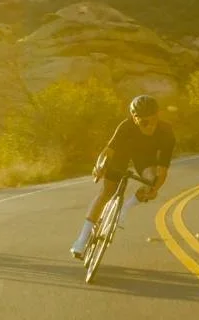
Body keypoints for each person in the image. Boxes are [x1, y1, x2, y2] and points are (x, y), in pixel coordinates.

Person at [70, 94, 176, 259]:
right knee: (107, 192)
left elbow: (162, 170)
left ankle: (124, 210)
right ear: (134, 118)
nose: (150, 126)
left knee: (151, 178)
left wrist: (154, 189)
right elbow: (107, 153)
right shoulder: (126, 126)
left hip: (145, 157)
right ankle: (81, 240)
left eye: (154, 120)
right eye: (144, 122)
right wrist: (98, 166)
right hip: (122, 154)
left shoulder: (166, 131)